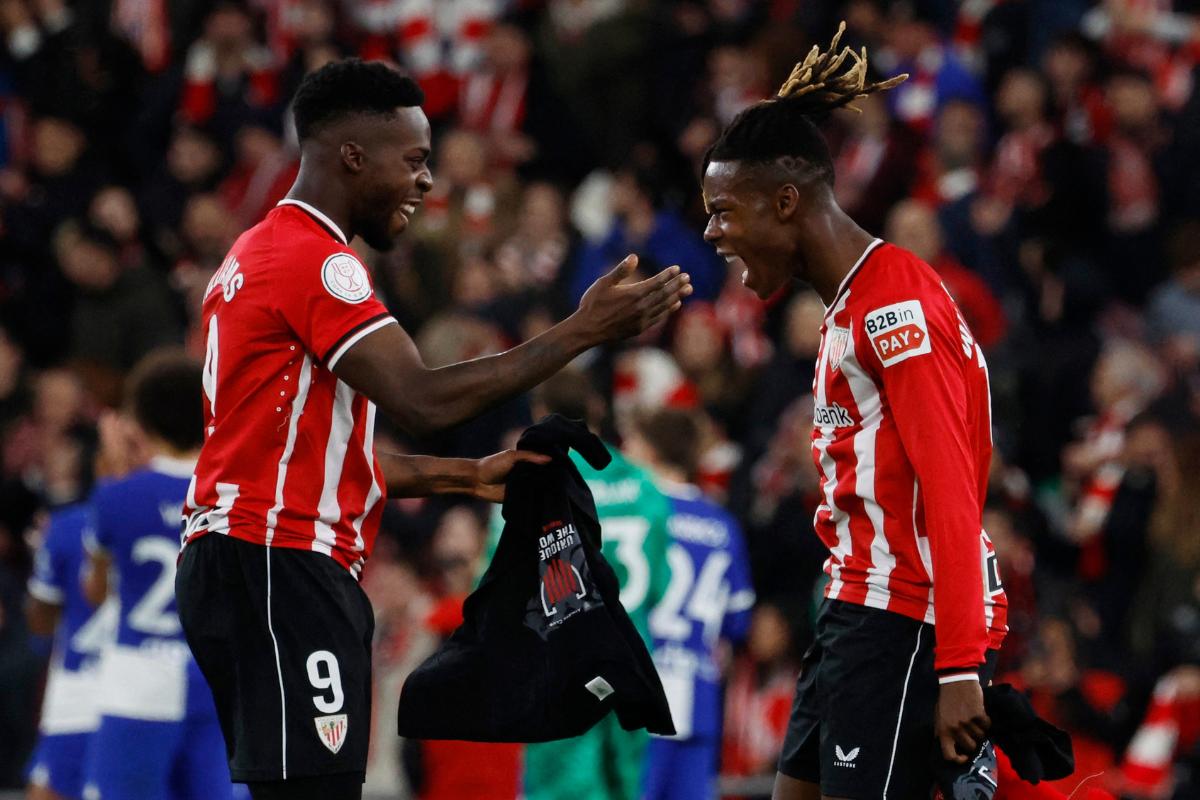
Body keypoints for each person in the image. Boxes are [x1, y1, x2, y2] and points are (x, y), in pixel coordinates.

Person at [173, 57, 691, 800]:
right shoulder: (318, 262)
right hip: (278, 561)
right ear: (353, 156)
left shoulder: (255, 253)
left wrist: (462, 474)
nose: (425, 181)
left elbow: (305, 452)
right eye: (413, 161)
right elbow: (421, 398)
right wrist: (581, 330)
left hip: (249, 557)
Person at [698, 23, 1009, 800]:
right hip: (854, 607)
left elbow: (950, 485)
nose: (713, 232)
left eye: (724, 211)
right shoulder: (851, 305)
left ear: (786, 201)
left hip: (904, 617)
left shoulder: (892, 309)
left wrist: (961, 664)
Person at [82, 351, 237, 800]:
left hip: (137, 676)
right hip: (215, 674)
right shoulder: (234, 496)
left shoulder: (116, 496)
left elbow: (95, 591)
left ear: (141, 421)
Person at [623, 407, 755, 800]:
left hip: (637, 700)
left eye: (630, 446)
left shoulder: (635, 513)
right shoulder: (722, 525)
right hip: (698, 700)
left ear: (650, 452)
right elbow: (738, 622)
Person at [24, 504, 115, 800]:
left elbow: (40, 621)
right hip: (160, 683)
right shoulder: (188, 517)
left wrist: (42, 558)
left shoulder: (67, 526)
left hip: (81, 687)